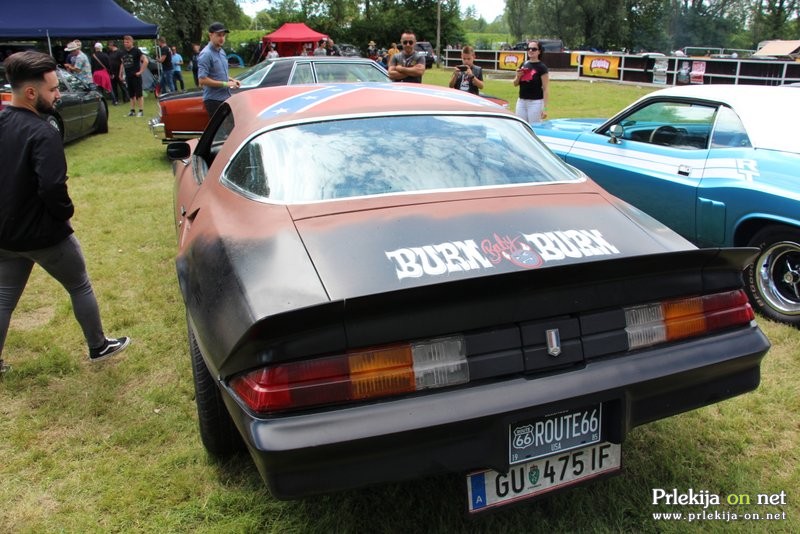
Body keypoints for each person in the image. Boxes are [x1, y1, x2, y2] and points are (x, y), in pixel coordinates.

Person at [0, 51, 131, 375]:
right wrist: (64, 214)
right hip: (44, 235)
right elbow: (52, 186)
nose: (58, 94)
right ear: (31, 92)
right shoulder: (43, 132)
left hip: (6, 235)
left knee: (3, 298)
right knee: (79, 285)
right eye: (53, 89)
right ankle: (98, 346)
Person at [197, 22, 241, 119]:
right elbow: (202, 80)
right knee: (224, 128)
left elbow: (218, 73)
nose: (222, 38)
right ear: (210, 35)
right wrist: (225, 84)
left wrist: (232, 80)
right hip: (213, 100)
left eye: (223, 35)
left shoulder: (221, 51)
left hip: (225, 97)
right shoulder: (206, 54)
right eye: (218, 35)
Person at [513, 40, 550, 125]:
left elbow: (545, 89)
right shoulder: (524, 64)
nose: (530, 51)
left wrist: (545, 109)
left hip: (535, 102)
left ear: (539, 52)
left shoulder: (542, 67)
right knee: (520, 126)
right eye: (528, 48)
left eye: (534, 49)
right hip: (522, 101)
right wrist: (518, 76)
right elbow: (515, 83)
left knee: (534, 126)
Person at [120, 35, 148, 117]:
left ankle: (141, 111)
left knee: (139, 94)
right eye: (124, 42)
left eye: (127, 42)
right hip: (128, 76)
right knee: (131, 94)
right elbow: (122, 63)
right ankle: (132, 111)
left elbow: (146, 61)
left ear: (132, 42)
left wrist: (140, 72)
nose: (126, 43)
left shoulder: (136, 51)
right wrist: (120, 74)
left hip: (136, 76)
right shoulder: (123, 52)